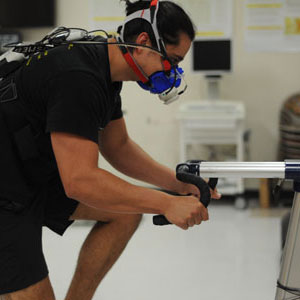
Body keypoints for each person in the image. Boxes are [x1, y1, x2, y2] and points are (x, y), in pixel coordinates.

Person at [0, 0, 220, 299]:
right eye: (173, 60)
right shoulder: (78, 76)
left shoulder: (103, 68)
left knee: (124, 214)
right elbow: (80, 182)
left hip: (26, 170)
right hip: (8, 188)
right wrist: (164, 203)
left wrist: (178, 185)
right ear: (144, 42)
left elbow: (119, 147)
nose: (173, 72)